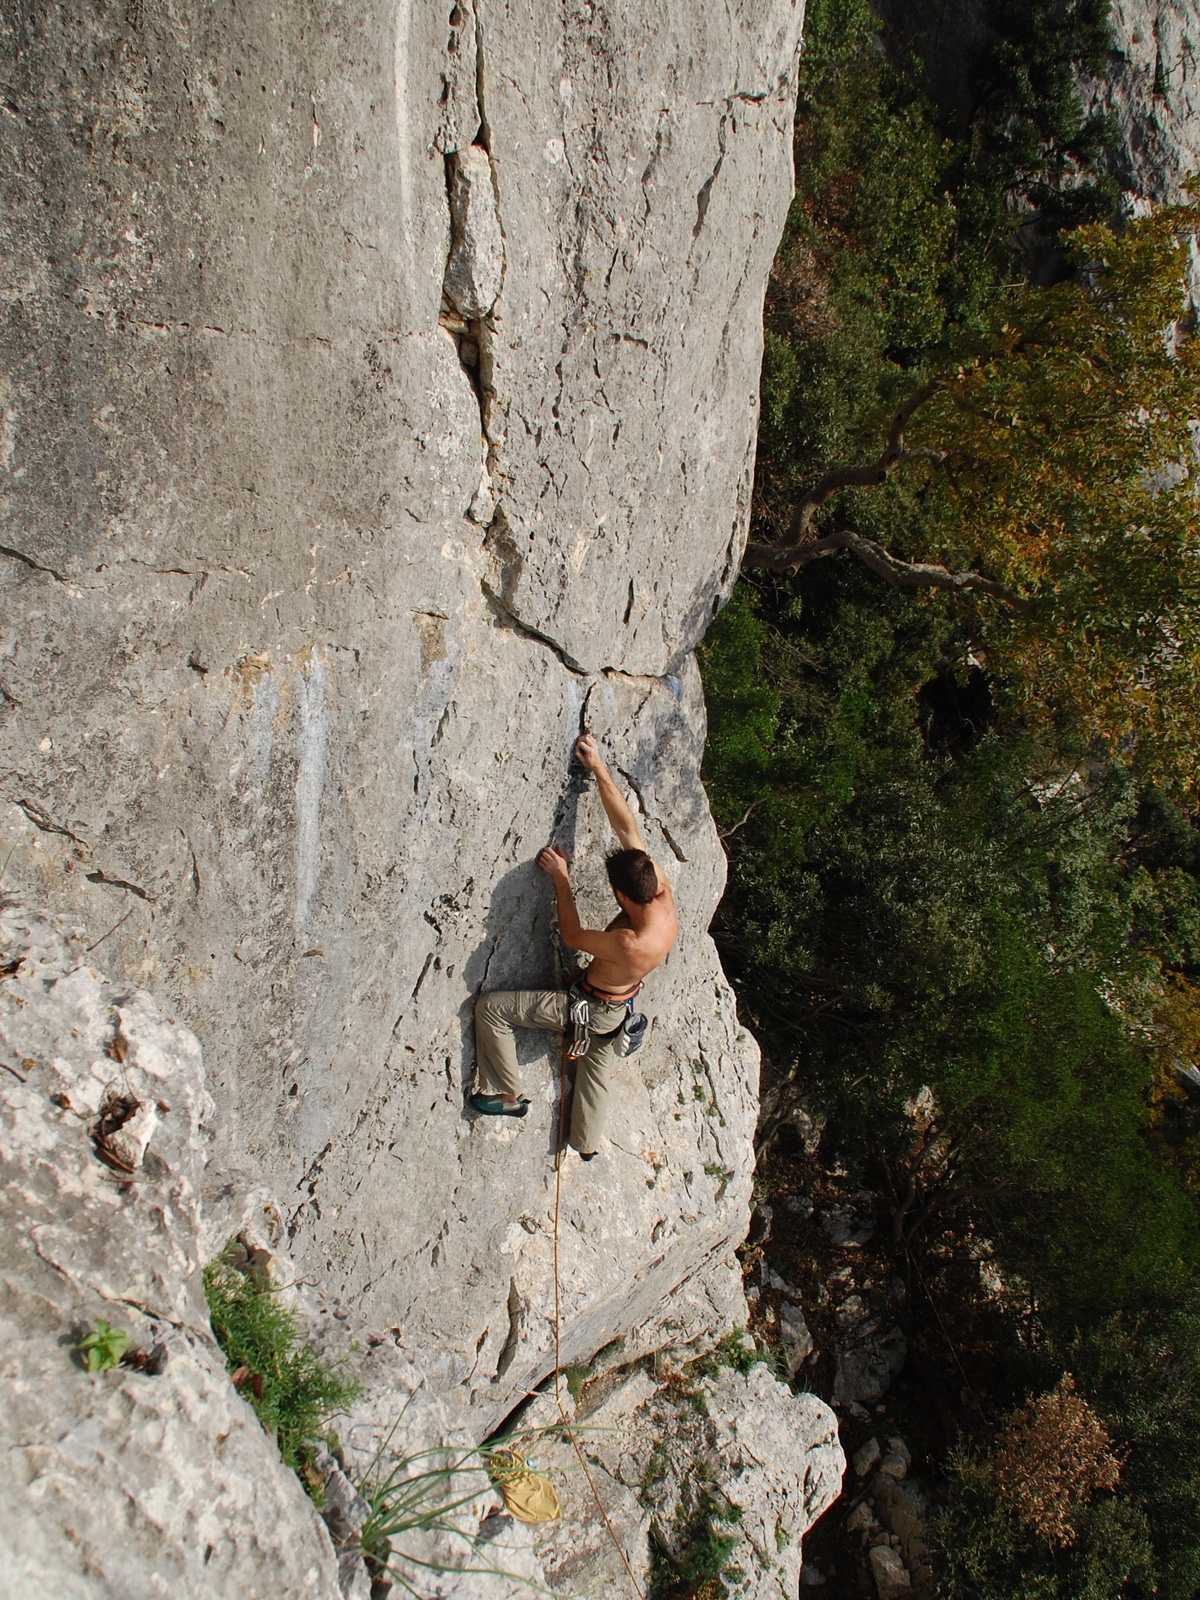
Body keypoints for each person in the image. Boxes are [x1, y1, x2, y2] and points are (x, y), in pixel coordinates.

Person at [471, 733, 678, 1158]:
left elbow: (572, 936)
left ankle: (508, 1095)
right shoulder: (657, 890)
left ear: (621, 896)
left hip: (590, 1006)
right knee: (596, 1072)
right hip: (616, 1009)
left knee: (491, 1009)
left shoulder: (629, 941)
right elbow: (627, 827)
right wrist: (598, 767)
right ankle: (584, 1144)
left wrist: (561, 878)